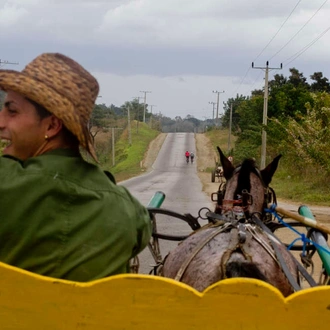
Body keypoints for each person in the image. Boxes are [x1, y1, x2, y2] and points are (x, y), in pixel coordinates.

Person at [0, 53, 152, 282]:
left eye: (12, 111)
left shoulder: (7, 181)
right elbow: (142, 232)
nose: (1, 121)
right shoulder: (129, 211)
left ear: (52, 126)